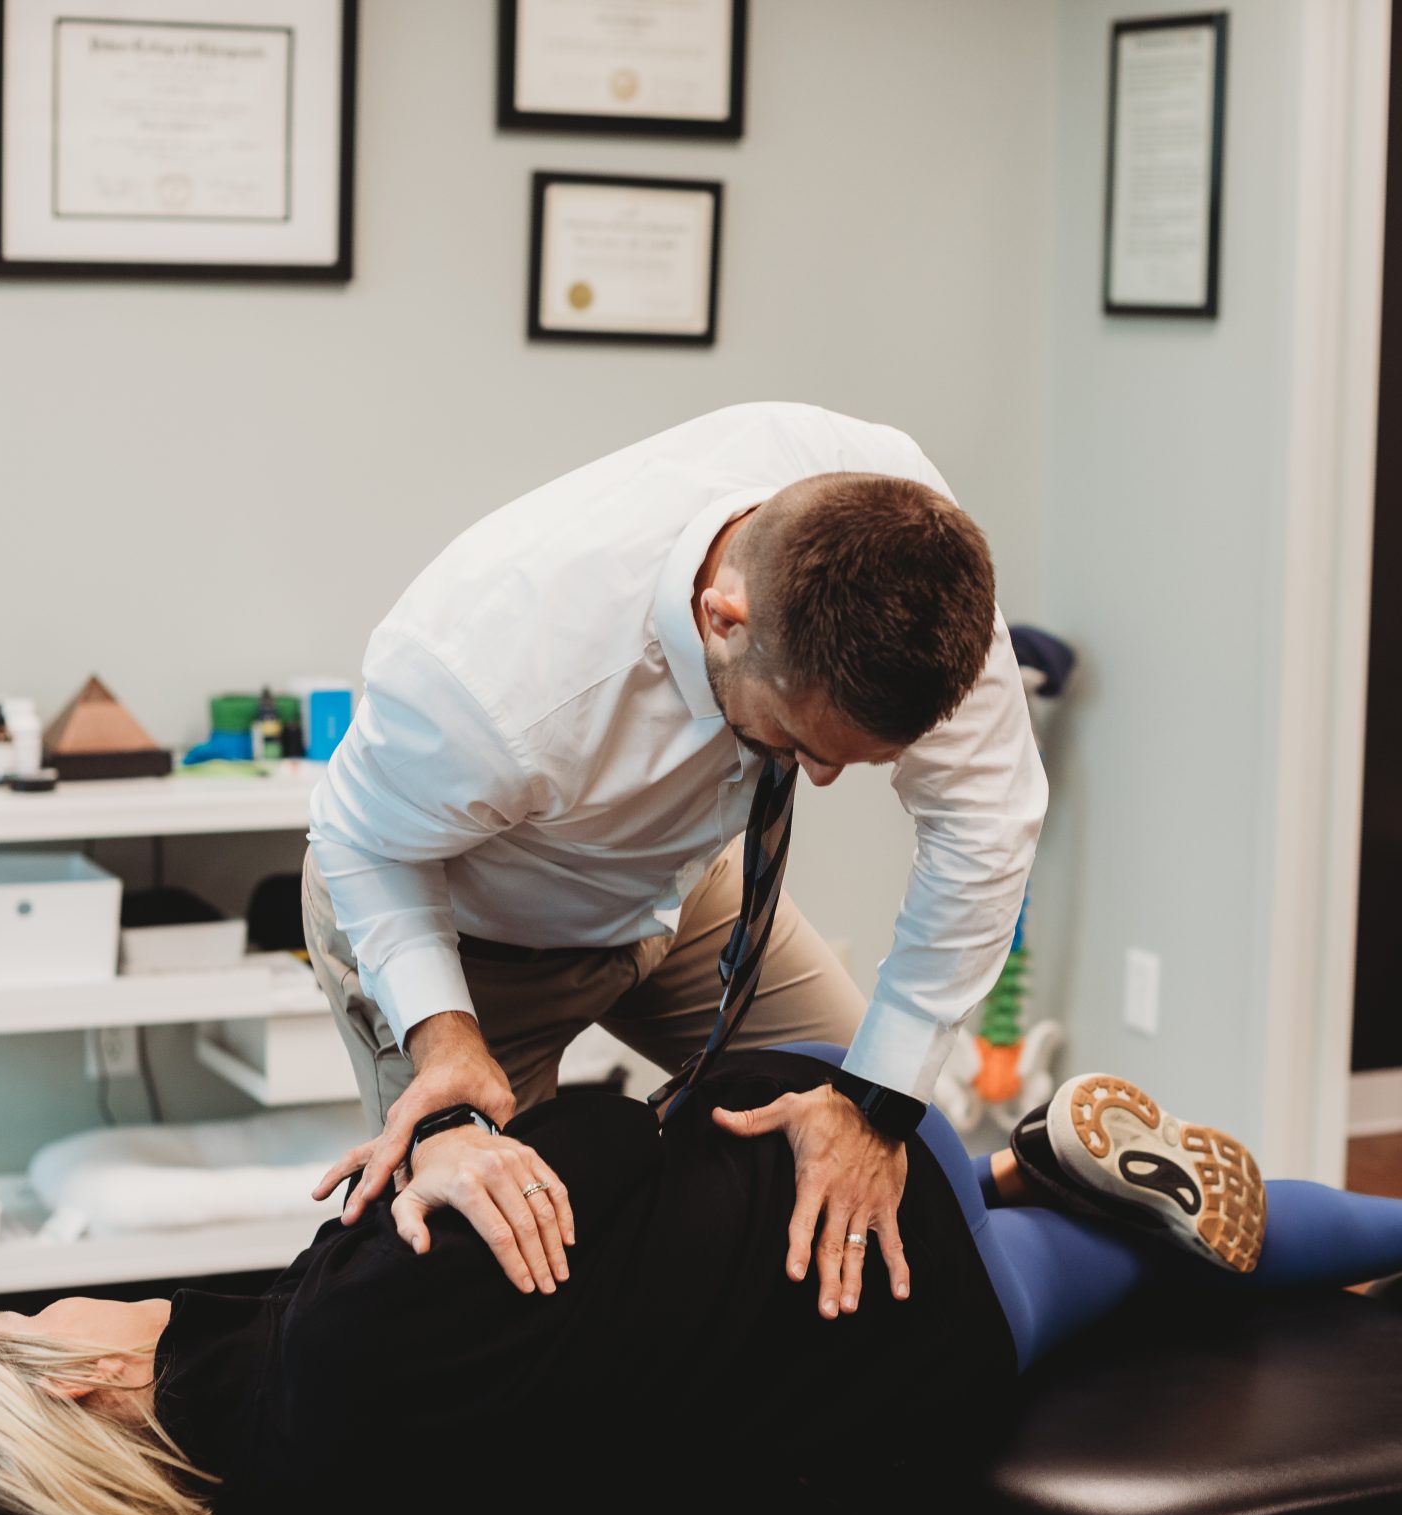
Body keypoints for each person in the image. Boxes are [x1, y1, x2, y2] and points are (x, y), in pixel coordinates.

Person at [0, 1056, 1402, 1515]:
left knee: (1118, 1255)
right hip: (853, 1251)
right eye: (34, 1313)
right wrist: (472, 1137)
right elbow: (608, 1137)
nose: (57, 1295)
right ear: (84, 1375)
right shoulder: (346, 1313)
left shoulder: (294, 1513)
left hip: (833, 1376)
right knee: (1150, 1255)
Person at [301, 404, 1048, 1320]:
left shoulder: (902, 539)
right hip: (468, 933)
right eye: (798, 742)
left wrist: (876, 1103)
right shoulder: (486, 672)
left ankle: (1033, 1184)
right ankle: (159, 1346)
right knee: (481, 1284)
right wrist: (446, 1041)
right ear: (721, 618)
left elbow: (987, 822)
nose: (818, 778)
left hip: (680, 892)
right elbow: (360, 839)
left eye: (856, 759)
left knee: (886, 1132)